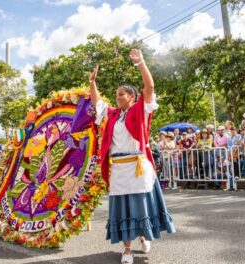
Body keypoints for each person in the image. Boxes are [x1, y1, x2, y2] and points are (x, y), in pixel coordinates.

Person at [89, 49, 175, 264]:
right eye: (116, 95)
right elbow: (97, 102)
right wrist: (92, 83)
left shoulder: (140, 110)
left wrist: (141, 62)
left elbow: (150, 87)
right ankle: (127, 249)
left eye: (121, 94)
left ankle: (144, 235)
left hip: (137, 165)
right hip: (119, 167)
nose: (117, 98)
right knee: (123, 208)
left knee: (140, 205)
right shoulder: (113, 115)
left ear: (132, 97)